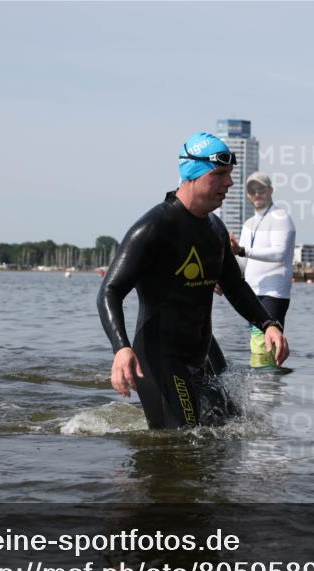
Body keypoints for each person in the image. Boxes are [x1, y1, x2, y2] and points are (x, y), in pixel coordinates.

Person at [97, 131, 289, 429]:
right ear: (193, 174)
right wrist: (121, 349)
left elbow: (235, 287)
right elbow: (110, 291)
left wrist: (268, 324)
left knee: (231, 431)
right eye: (220, 174)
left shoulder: (215, 230)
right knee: (182, 444)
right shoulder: (154, 227)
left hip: (202, 355)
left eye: (230, 174)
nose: (230, 183)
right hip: (160, 359)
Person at [229, 171, 296, 368]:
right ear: (248, 195)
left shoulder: (280, 217)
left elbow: (279, 254)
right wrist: (223, 280)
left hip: (273, 293)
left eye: (261, 189)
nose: (257, 194)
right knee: (257, 342)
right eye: (252, 190)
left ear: (271, 191)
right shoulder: (249, 224)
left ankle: (266, 391)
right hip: (252, 292)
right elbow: (243, 264)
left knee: (263, 342)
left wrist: (241, 250)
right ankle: (262, 389)